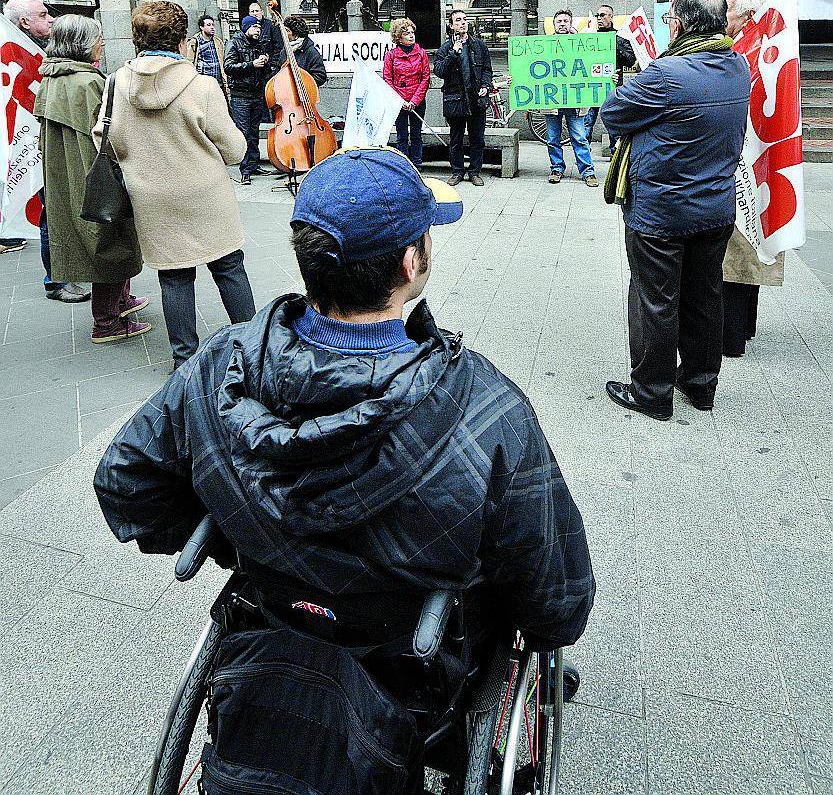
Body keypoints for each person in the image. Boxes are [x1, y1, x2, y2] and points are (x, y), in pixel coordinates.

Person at [94, 148, 595, 735]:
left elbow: (126, 480)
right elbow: (551, 583)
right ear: (412, 262)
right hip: (415, 657)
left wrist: (242, 536)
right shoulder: (484, 407)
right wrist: (547, 634)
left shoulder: (219, 365)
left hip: (273, 614)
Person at [602, 0, 751, 420]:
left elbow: (613, 112)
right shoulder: (737, 65)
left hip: (662, 214)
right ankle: (701, 387)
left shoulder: (666, 74)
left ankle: (652, 393)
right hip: (715, 209)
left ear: (679, 24)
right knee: (705, 297)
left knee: (656, 300)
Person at [94, 0, 256, 367]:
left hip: (151, 199)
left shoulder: (116, 84)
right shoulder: (202, 86)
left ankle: (184, 359)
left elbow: (104, 140)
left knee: (174, 277)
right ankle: (251, 349)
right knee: (229, 267)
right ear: (183, 40)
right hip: (205, 195)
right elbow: (233, 150)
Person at [33, 15, 149, 343]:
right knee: (111, 243)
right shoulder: (86, 83)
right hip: (95, 176)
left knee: (108, 240)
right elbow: (108, 135)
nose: (101, 43)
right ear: (82, 44)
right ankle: (107, 322)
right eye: (97, 38)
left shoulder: (52, 79)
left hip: (67, 177)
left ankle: (121, 302)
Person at [3, 0, 89, 304]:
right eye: (43, 15)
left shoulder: (39, 51)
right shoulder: (19, 55)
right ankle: (55, 280)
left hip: (47, 144)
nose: (50, 19)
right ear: (24, 22)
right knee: (50, 212)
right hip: (35, 147)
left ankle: (65, 270)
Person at [723, 0, 785, 357]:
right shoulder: (770, 45)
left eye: (729, 8)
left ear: (746, 14)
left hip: (745, 163)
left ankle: (731, 336)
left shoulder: (746, 49)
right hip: (764, 163)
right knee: (752, 242)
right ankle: (744, 327)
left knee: (737, 250)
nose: (724, 16)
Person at [434, 10, 493, 186]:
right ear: (451, 25)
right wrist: (453, 53)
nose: (462, 23)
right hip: (455, 100)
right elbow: (439, 71)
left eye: (464, 19)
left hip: (476, 99)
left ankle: (474, 171)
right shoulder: (445, 48)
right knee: (456, 139)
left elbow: (487, 70)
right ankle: (457, 171)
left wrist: (485, 86)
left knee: (477, 138)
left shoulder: (479, 45)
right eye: (458, 20)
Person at [544, 10, 598, 188]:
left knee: (579, 137)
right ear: (554, 24)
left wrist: (608, 77)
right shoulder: (543, 45)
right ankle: (556, 168)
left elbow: (591, 66)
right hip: (552, 102)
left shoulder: (582, 44)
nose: (562, 23)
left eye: (565, 21)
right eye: (559, 21)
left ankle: (588, 171)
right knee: (553, 138)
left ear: (570, 23)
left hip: (575, 101)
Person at [224, 14, 270, 184]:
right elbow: (228, 67)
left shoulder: (259, 45)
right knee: (244, 133)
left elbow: (265, 71)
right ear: (246, 28)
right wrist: (251, 64)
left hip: (256, 94)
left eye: (259, 27)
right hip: (240, 96)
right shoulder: (234, 43)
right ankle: (245, 170)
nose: (258, 30)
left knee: (254, 131)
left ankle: (254, 164)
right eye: (254, 27)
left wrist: (265, 62)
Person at [583, 5, 635, 148]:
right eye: (597, 15)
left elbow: (630, 61)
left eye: (603, 15)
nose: (599, 18)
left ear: (611, 17)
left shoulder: (620, 38)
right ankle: (584, 154)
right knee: (587, 121)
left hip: (613, 86)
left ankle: (615, 153)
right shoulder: (590, 38)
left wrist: (615, 45)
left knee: (614, 122)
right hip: (593, 86)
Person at [382, 17, 431, 170]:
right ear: (398, 37)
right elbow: (387, 79)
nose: (411, 35)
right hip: (399, 102)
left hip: (417, 101)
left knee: (416, 135)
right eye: (407, 33)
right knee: (402, 135)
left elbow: (425, 78)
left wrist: (414, 101)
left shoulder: (422, 54)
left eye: (412, 32)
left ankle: (417, 164)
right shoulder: (391, 55)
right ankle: (403, 165)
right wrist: (399, 101)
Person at [269, 6, 328, 87]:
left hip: (306, 94)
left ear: (296, 34)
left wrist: (300, 81)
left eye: (287, 30)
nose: (283, 33)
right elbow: (278, 70)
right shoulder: (284, 51)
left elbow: (321, 76)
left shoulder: (311, 51)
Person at [186, 13, 229, 98]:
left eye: (213, 25)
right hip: (202, 82)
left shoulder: (218, 41)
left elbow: (223, 60)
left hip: (218, 82)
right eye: (208, 25)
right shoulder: (194, 42)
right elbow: (189, 61)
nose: (212, 27)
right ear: (201, 27)